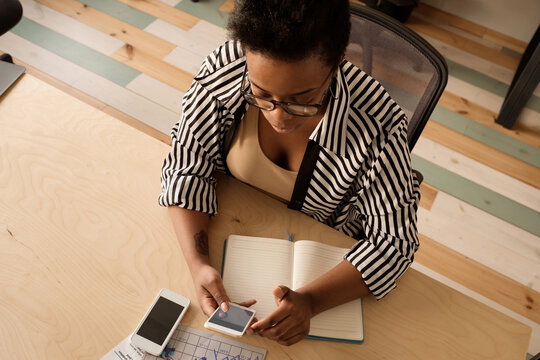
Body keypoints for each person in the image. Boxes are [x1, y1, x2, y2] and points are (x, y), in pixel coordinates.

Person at [159, 0, 420, 346]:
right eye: (261, 95)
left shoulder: (378, 124)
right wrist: (198, 263)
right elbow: (185, 163)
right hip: (234, 232)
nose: (278, 118)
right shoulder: (227, 68)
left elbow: (395, 242)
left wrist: (311, 301)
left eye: (302, 99)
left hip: (324, 264)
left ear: (337, 62)